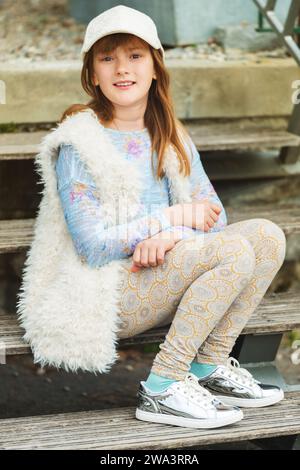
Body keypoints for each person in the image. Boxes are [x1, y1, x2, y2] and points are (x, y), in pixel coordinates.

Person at [17, 5, 286, 430]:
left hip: (164, 272)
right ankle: (163, 385)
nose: (122, 69)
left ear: (156, 67)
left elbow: (213, 216)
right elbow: (93, 246)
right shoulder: (79, 143)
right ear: (93, 74)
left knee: (267, 235)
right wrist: (170, 221)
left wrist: (171, 233)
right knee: (232, 249)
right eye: (108, 58)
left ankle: (207, 367)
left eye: (135, 56)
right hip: (106, 289)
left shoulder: (171, 134)